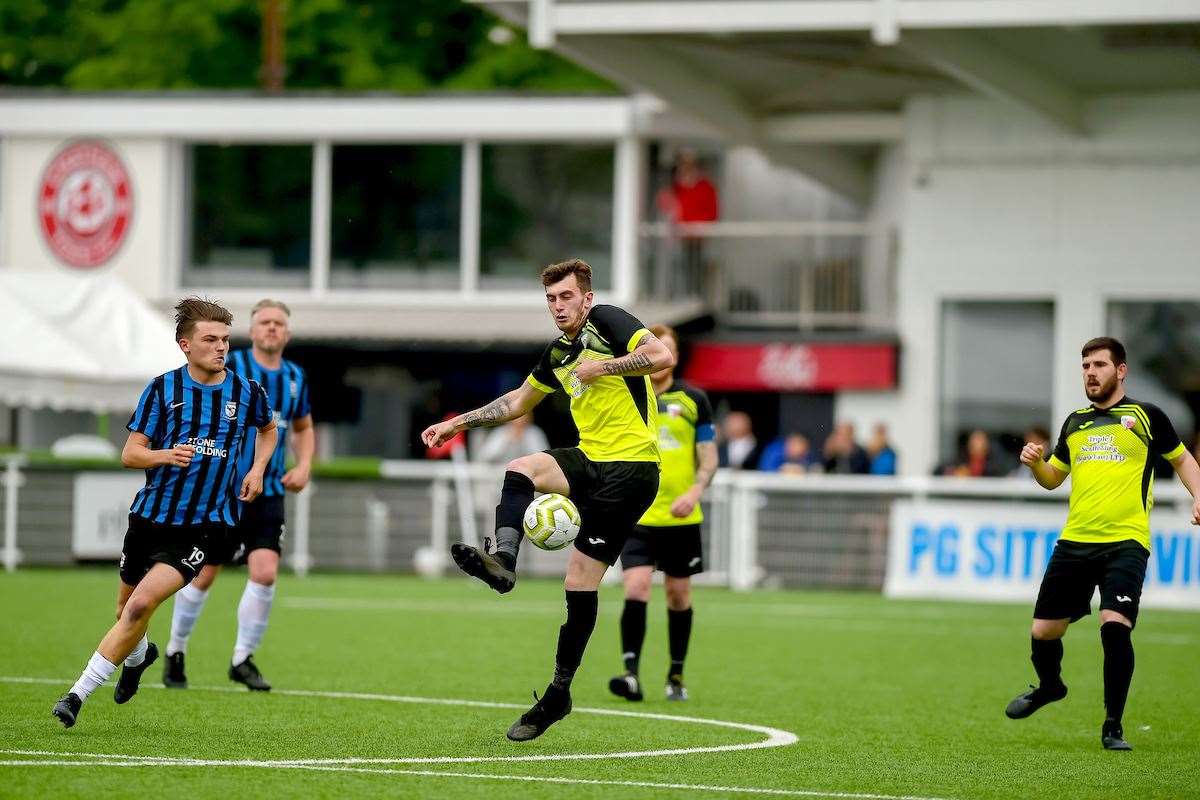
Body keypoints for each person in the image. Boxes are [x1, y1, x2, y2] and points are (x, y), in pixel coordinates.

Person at [421, 258, 674, 742]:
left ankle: (558, 691)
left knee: (581, 584)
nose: (558, 306)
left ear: (586, 297)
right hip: (591, 458)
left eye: (566, 297)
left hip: (633, 469)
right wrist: (456, 423)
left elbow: (660, 356)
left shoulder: (609, 322)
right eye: (551, 300)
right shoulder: (557, 354)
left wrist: (607, 366)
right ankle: (504, 562)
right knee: (520, 470)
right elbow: (516, 403)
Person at [52, 298, 275, 728]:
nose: (221, 348)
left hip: (203, 526)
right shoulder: (162, 390)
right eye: (210, 339)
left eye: (225, 340)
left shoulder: (247, 392)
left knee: (138, 608)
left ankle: (75, 696)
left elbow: (268, 429)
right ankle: (137, 659)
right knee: (126, 614)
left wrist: (258, 468)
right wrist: (163, 455)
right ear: (185, 345)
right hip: (150, 519)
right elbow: (130, 454)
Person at [1005, 336, 1200, 750]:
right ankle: (1050, 687)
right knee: (1043, 632)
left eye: (1099, 365)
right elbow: (1054, 479)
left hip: (1126, 542)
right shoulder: (1075, 422)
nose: (1091, 373)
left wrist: (1199, 494)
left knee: (1114, 626)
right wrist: (1036, 463)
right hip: (1075, 541)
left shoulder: (1146, 416)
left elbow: (1182, 459)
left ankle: (1113, 724)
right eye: (1086, 366)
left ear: (1121, 370)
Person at [162, 299, 313, 692]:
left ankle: (242, 658)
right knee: (204, 573)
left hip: (270, 488)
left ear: (288, 333)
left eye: (279, 323)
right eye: (264, 322)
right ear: (253, 329)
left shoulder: (294, 377)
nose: (272, 329)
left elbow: (302, 426)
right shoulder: (230, 370)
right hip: (222, 490)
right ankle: (176, 649)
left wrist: (305, 464)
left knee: (264, 572)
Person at [608, 324, 717, 704]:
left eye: (663, 348)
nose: (656, 355)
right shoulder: (626, 394)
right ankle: (631, 674)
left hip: (680, 517)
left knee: (677, 595)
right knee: (636, 588)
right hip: (636, 515)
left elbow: (709, 457)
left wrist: (696, 489)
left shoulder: (693, 399)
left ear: (673, 355)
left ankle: (675, 674)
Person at [475, 413, 550, 466]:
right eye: (517, 417)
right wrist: (506, 440)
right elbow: (485, 456)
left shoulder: (534, 433)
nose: (520, 420)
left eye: (524, 416)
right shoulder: (500, 433)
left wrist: (524, 440)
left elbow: (543, 458)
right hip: (500, 475)